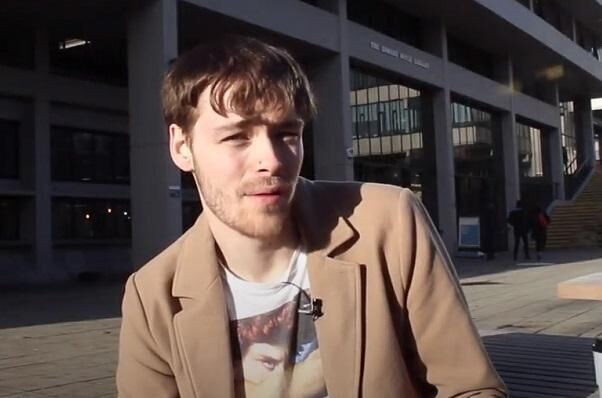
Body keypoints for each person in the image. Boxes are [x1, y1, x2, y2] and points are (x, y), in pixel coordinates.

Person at [116, 36, 506, 397]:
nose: (271, 161)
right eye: (237, 137)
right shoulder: (152, 297)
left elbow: (471, 388)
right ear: (182, 147)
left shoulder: (389, 224)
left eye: (287, 134)